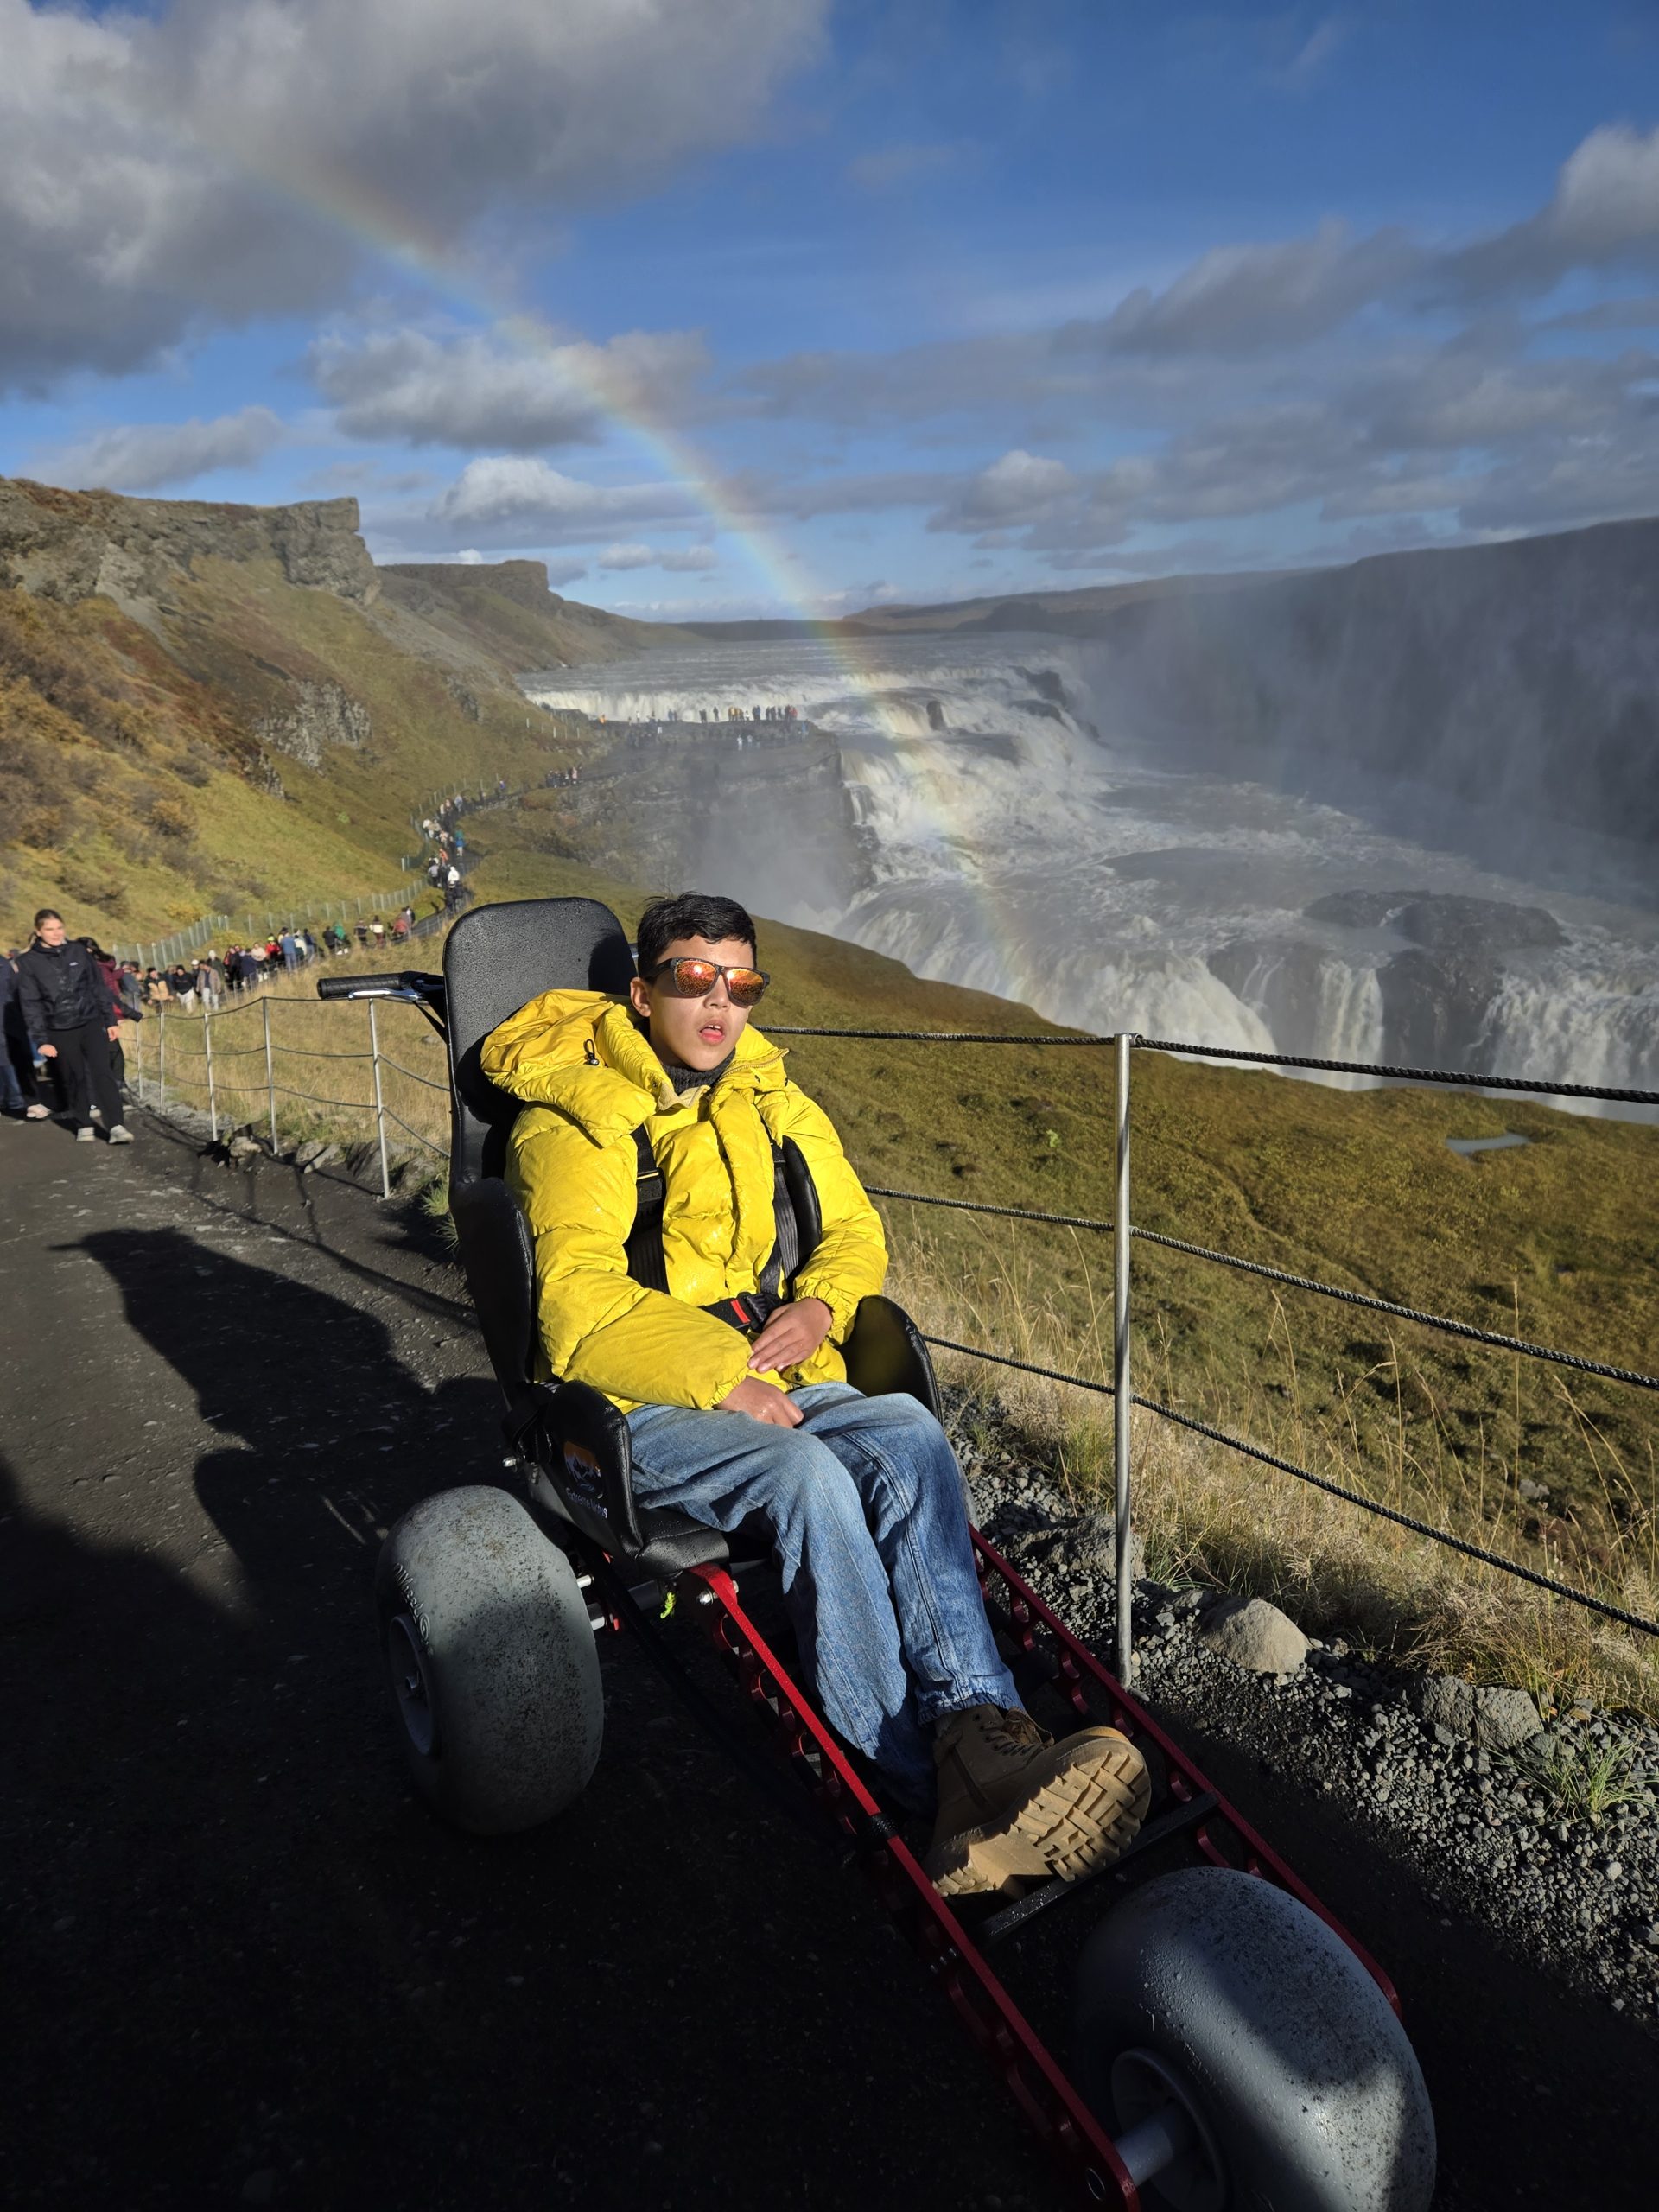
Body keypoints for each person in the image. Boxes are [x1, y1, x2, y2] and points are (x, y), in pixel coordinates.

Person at [480, 893, 1148, 1896]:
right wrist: (723, 1375)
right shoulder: (574, 1115)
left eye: (740, 984)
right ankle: (912, 1787)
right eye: (692, 980)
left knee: (909, 1434)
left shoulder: (765, 1091)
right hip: (633, 1405)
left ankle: (982, 1736)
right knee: (810, 1483)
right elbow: (574, 1307)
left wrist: (825, 1309)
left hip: (773, 1368)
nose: (719, 1004)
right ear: (641, 989)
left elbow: (853, 1227)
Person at [16, 909, 132, 1144]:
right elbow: (30, 1002)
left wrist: (109, 1019)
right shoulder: (28, 962)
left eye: (59, 927)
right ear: (38, 932)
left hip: (90, 1022)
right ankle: (83, 1123)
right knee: (74, 1076)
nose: (56, 933)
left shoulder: (78, 950)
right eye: (49, 929)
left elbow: (98, 987)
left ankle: (117, 1126)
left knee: (103, 1073)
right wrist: (41, 1039)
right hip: (58, 1028)